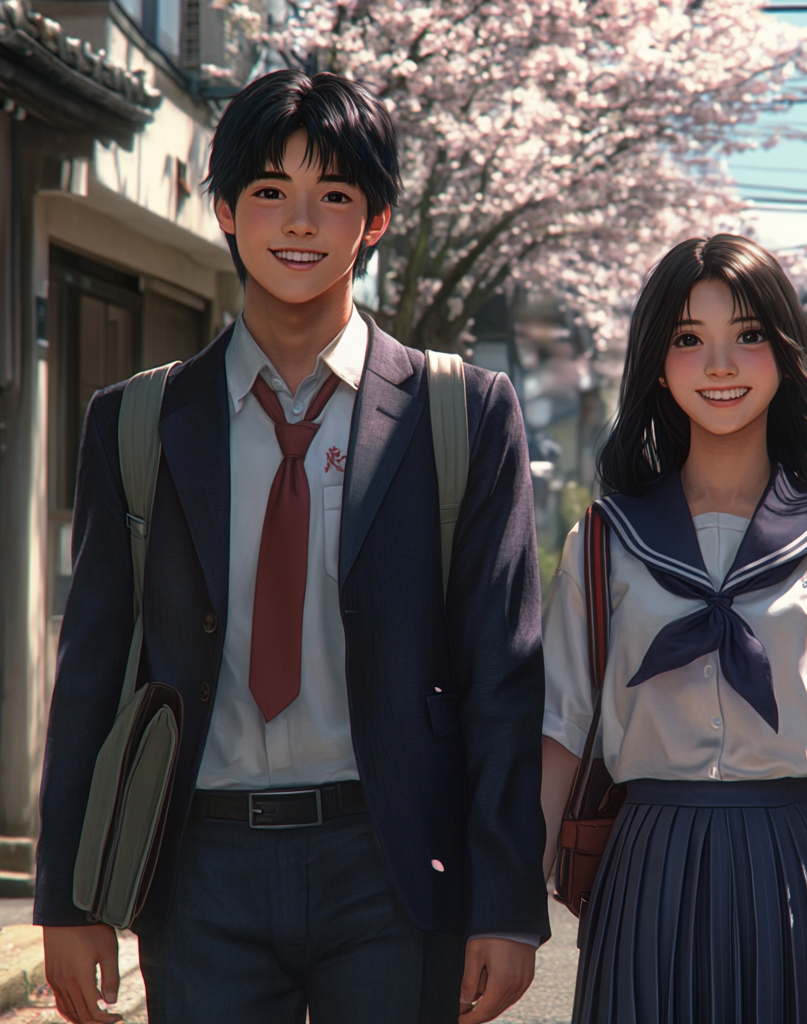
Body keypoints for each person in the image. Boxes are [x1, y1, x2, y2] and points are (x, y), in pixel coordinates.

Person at [36, 69, 549, 1024]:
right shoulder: (138, 422)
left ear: (378, 220)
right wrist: (68, 893)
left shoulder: (464, 413)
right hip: (198, 865)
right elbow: (93, 663)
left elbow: (504, 675)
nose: (301, 223)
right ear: (225, 209)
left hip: (393, 865)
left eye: (335, 196)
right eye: (270, 192)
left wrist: (508, 903)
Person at [540, 235, 807, 1024]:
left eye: (749, 336)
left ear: (784, 353)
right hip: (645, 872)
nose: (721, 364)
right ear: (657, 362)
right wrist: (511, 923)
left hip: (800, 872)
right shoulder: (604, 541)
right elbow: (558, 736)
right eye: (689, 340)